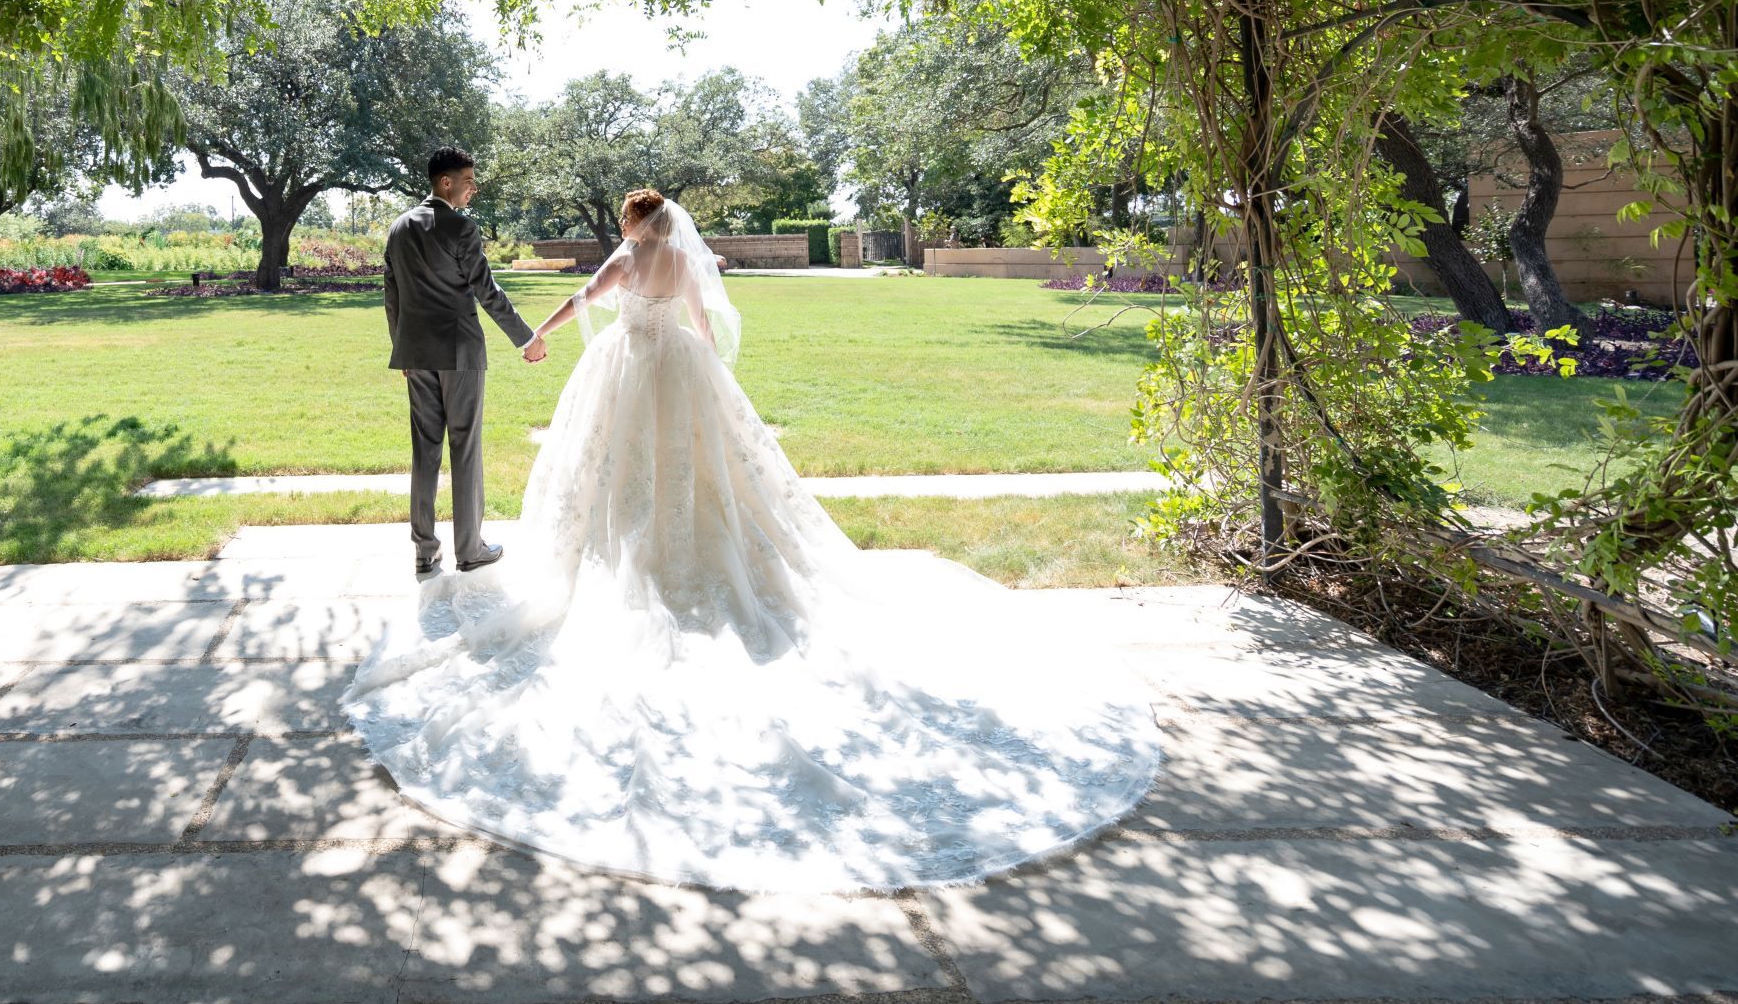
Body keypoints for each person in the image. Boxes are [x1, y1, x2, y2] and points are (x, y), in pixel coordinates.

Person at [347, 187, 1162, 893]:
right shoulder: (680, 262)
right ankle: (689, 546)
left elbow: (580, 300)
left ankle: (593, 550)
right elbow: (705, 320)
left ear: (636, 224)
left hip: (625, 369)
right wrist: (697, 356)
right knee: (698, 470)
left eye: (630, 224)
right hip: (680, 368)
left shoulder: (626, 262)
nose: (628, 232)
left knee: (614, 473)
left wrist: (539, 335)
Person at [382, 146, 546, 579]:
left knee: (425, 451)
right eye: (469, 180)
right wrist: (527, 339)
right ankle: (470, 549)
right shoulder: (461, 228)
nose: (474, 188)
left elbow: (392, 295)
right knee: (465, 446)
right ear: (446, 182)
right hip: (459, 352)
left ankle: (424, 550)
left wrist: (401, 348)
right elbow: (487, 292)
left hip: (415, 355)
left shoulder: (398, 228)